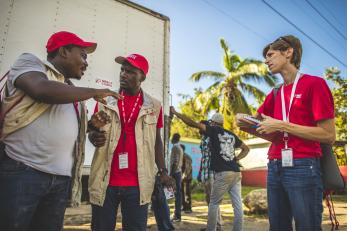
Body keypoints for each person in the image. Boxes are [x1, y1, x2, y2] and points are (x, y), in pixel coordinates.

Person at [0, 31, 122, 231]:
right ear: (64, 51)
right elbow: (40, 89)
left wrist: (91, 126)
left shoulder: (71, 90)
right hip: (23, 173)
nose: (86, 63)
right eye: (83, 55)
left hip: (60, 181)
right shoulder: (30, 63)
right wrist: (93, 92)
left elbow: (63, 131)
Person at [236, 35, 335, 231]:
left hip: (303, 165)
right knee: (278, 226)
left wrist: (282, 125)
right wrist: (246, 122)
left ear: (288, 52)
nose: (266, 60)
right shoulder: (275, 93)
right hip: (274, 165)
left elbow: (328, 135)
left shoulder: (315, 84)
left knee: (307, 226)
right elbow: (262, 125)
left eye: (271, 54)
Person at [88, 53, 173, 231]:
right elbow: (93, 131)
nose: (123, 74)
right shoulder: (105, 101)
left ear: (142, 76)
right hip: (106, 181)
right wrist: (93, 137)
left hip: (138, 184)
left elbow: (157, 141)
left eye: (130, 71)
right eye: (122, 70)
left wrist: (163, 171)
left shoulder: (154, 106)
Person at [170, 108, 250, 231]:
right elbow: (246, 149)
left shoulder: (213, 131)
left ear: (212, 123)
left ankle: (211, 229)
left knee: (213, 203)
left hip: (223, 173)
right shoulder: (231, 134)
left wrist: (176, 113)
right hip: (236, 173)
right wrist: (236, 159)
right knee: (237, 206)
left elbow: (192, 123)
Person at [197, 120, 222, 231]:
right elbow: (204, 158)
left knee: (214, 200)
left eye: (201, 125)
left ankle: (217, 226)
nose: (199, 126)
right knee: (209, 200)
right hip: (205, 173)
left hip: (213, 173)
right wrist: (199, 172)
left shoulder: (212, 138)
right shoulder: (203, 139)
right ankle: (212, 226)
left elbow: (216, 155)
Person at [169, 133, 184, 222]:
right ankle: (176, 214)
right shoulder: (179, 147)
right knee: (177, 194)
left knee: (177, 194)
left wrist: (171, 174)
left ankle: (177, 215)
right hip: (178, 173)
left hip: (176, 173)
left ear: (174, 138)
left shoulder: (175, 147)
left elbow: (175, 162)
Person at [180, 144, 193, 213]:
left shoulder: (186, 156)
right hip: (182, 177)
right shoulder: (182, 156)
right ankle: (184, 206)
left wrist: (183, 176)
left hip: (187, 178)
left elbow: (187, 168)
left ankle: (188, 208)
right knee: (182, 192)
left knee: (187, 192)